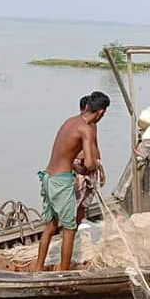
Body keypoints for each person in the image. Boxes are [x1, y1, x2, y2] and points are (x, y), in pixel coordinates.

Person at [34, 91, 110, 271]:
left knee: (50, 225)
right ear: (100, 112)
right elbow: (90, 162)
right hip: (61, 181)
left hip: (48, 178)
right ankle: (64, 272)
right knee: (70, 228)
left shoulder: (70, 121)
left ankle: (37, 268)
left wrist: (78, 167)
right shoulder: (87, 129)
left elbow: (64, 155)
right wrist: (91, 168)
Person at [73, 95, 105, 227]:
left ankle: (79, 227)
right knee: (74, 204)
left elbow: (95, 146)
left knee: (84, 205)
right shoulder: (79, 126)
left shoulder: (93, 126)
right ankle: (71, 230)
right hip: (80, 167)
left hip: (91, 166)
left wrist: (100, 168)